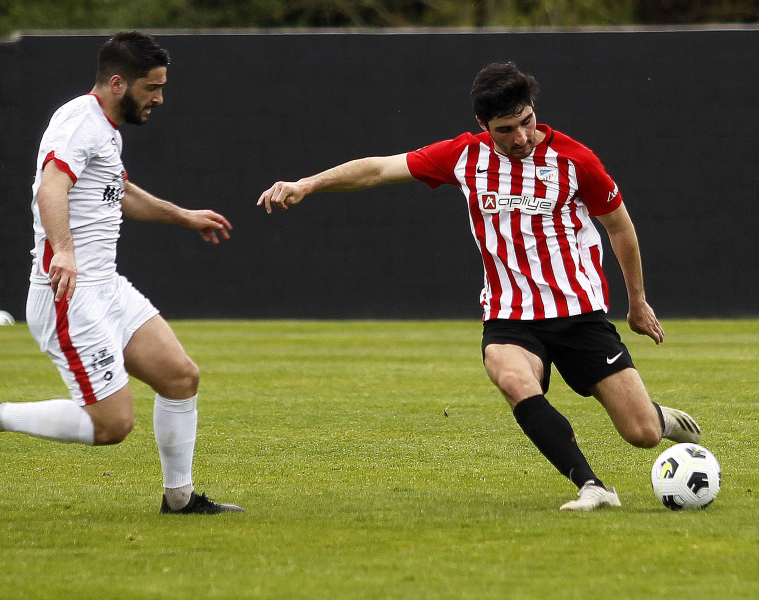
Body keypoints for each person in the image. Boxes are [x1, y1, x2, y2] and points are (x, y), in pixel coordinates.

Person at [257, 62, 702, 511]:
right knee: (511, 376)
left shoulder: (575, 160)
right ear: (482, 126)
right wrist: (307, 185)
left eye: (526, 121)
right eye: (506, 129)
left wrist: (637, 302)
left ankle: (657, 417)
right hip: (510, 314)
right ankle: (593, 486)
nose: (521, 137)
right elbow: (377, 170)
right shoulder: (465, 156)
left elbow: (620, 228)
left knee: (641, 433)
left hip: (579, 312)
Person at [0, 31, 243, 515]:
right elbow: (51, 186)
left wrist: (183, 216)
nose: (160, 98)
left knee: (180, 377)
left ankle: (180, 499)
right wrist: (62, 249)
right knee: (111, 426)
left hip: (106, 287)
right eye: (153, 87)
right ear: (120, 83)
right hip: (69, 293)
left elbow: (119, 191)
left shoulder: (106, 129)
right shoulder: (77, 122)